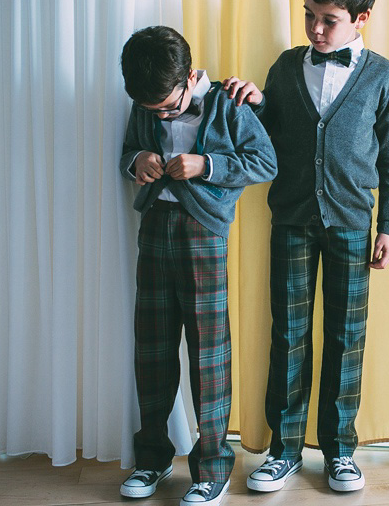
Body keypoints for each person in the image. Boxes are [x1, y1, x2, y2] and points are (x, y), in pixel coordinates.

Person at [223, 0, 389, 493]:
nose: (317, 28)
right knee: (289, 336)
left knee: (347, 338)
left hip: (354, 222)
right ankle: (283, 450)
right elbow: (266, 136)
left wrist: (388, 226)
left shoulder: (381, 76)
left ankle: (340, 450)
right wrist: (254, 102)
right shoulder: (284, 66)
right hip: (293, 220)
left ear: (361, 18)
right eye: (309, 15)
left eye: (329, 18)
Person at [118, 25, 277, 505]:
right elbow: (128, 149)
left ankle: (211, 468)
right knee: (152, 348)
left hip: (204, 235)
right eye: (153, 111)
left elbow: (264, 162)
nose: (162, 114)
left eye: (168, 106)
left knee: (209, 352)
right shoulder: (146, 100)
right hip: (154, 230)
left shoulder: (228, 105)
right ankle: (152, 458)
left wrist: (205, 165)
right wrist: (138, 160)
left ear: (190, 77)